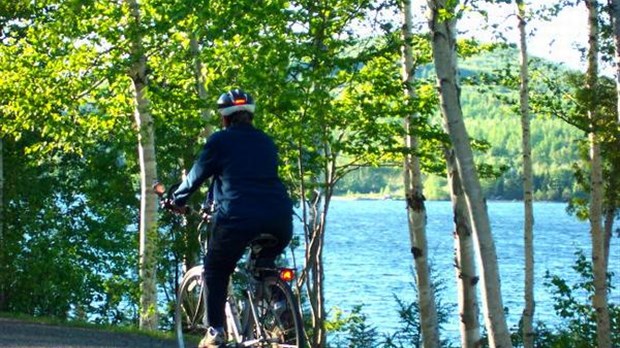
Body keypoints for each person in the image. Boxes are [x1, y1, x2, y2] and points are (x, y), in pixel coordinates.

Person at [170, 88, 294, 348]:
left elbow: (195, 177)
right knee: (264, 265)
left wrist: (176, 200)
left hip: (237, 218)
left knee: (216, 269)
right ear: (250, 115)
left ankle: (215, 332)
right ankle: (282, 312)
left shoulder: (220, 141)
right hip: (279, 218)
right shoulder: (266, 141)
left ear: (224, 118)